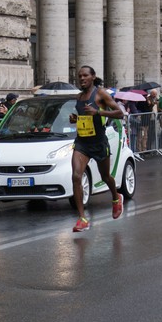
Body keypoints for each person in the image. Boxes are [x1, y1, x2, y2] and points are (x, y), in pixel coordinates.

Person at [69, 65, 125, 232]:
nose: (82, 78)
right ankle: (82, 218)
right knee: (76, 176)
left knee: (106, 176)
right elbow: (82, 118)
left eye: (85, 75)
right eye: (79, 76)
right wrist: (75, 119)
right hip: (82, 143)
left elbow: (120, 113)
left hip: (99, 143)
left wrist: (98, 112)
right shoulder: (79, 97)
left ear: (93, 77)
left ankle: (116, 198)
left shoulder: (100, 94)